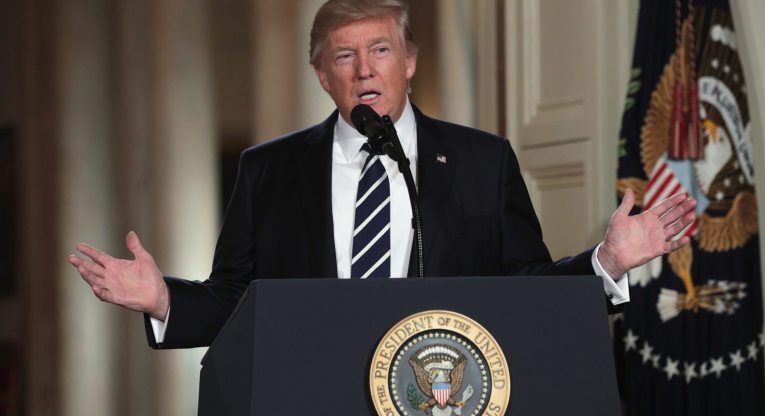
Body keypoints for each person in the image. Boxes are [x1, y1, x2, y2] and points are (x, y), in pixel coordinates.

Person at [68, 0, 696, 349]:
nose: (365, 70)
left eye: (381, 50)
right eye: (344, 55)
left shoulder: (483, 160)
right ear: (323, 74)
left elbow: (522, 290)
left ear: (410, 62)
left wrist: (606, 263)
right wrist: (163, 299)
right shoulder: (267, 172)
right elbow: (238, 301)